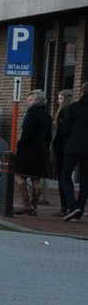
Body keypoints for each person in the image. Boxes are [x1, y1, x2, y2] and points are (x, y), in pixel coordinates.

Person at [14, 89, 53, 215]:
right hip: (41, 149)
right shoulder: (47, 116)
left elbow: (27, 133)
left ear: (38, 100)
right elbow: (48, 135)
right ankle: (34, 206)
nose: (28, 103)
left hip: (28, 149)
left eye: (30, 100)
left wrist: (20, 145)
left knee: (20, 175)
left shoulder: (31, 115)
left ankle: (26, 204)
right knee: (36, 179)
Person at [60, 82, 88, 221]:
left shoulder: (73, 108)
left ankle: (73, 205)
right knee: (85, 181)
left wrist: (67, 142)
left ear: (82, 92)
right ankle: (80, 208)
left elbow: (65, 129)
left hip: (73, 147)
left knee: (65, 176)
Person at [50, 89, 74, 216]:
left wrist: (55, 145)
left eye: (59, 99)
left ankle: (65, 205)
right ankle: (69, 205)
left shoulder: (64, 112)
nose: (57, 101)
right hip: (70, 148)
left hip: (62, 149)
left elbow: (60, 133)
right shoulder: (73, 111)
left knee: (62, 176)